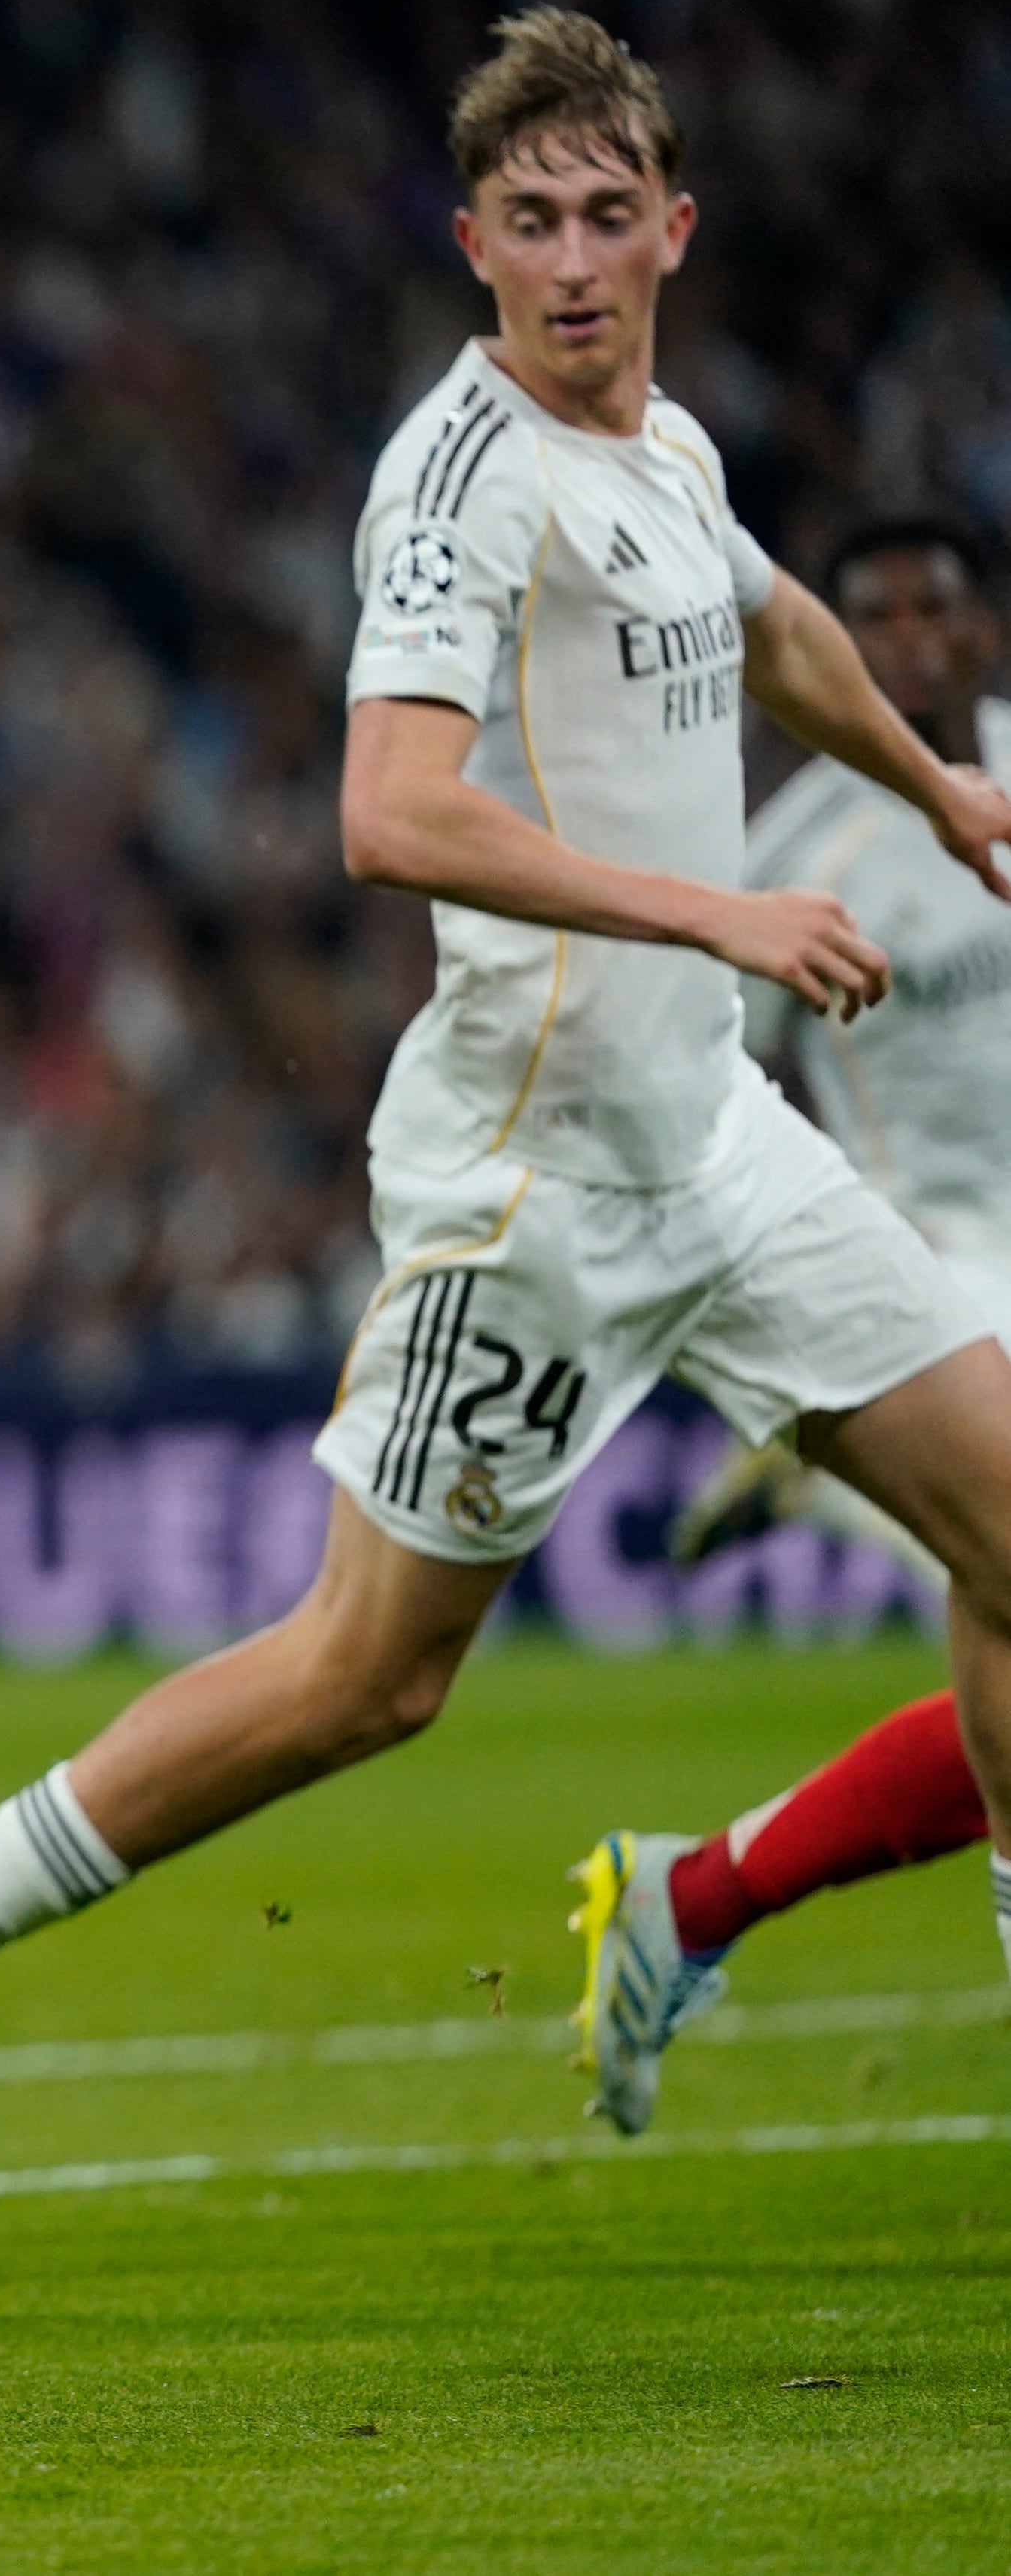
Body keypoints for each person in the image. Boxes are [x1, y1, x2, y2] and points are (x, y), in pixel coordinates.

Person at [0, 10, 1011, 2109]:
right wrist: (717, 905)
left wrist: (938, 787)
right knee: (370, 1674)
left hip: (718, 1132)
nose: (577, 257)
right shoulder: (457, 487)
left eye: (613, 213)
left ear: (677, 229)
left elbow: (783, 616)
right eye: (533, 220)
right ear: (473, 245)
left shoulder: (666, 449)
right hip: (535, 1192)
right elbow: (389, 813)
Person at [571, 515, 1011, 2132]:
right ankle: (695, 1898)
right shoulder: (800, 848)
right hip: (947, 1275)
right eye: (871, 609)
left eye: (934, 603)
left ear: (981, 631)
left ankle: (692, 1900)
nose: (904, 634)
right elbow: (694, 1074)